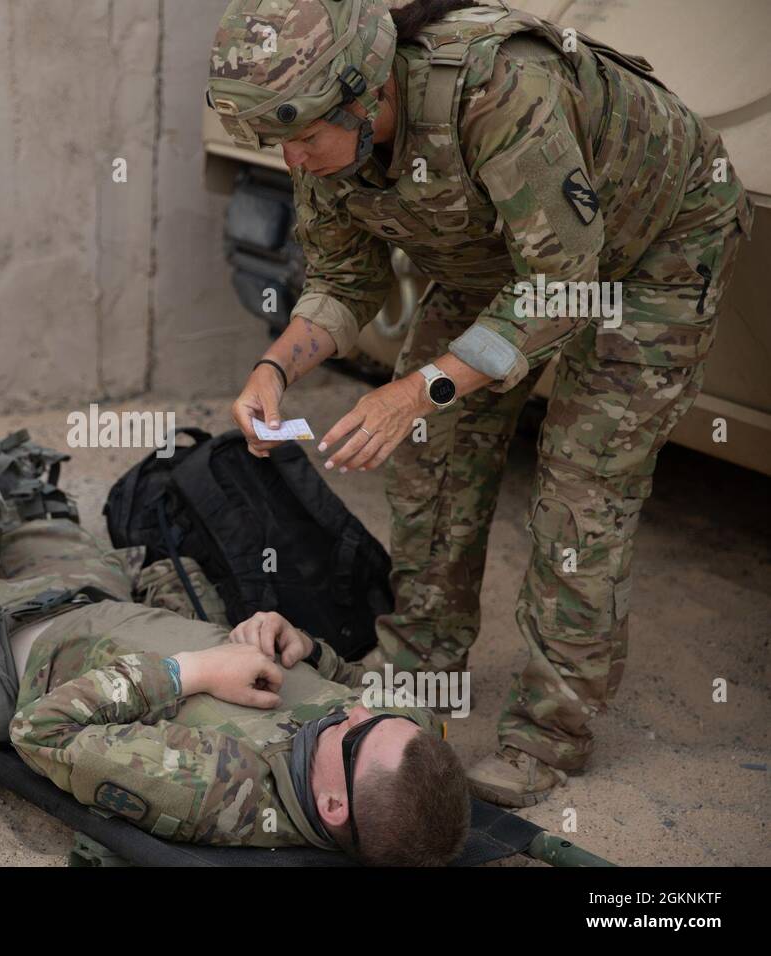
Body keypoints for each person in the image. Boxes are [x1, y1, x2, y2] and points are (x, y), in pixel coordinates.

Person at [210, 0, 752, 805]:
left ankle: (548, 732)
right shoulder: (320, 135)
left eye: (305, 137)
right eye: (277, 141)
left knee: (581, 489)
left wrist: (420, 386)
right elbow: (342, 282)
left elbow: (565, 288)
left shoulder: (504, 88)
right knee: (433, 457)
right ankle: (422, 674)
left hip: (653, 252)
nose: (293, 158)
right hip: (506, 259)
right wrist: (274, 368)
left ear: (367, 94)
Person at [0, 517, 471, 866]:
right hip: (103, 599)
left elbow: (40, 731)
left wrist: (188, 674)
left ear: (333, 807)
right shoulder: (389, 744)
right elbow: (357, 685)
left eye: (357, 729)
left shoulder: (211, 785)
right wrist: (306, 647)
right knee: (29, 515)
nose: (358, 709)